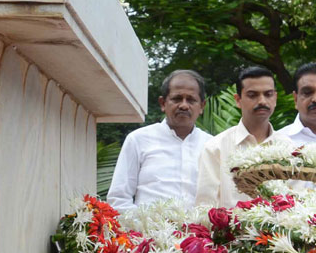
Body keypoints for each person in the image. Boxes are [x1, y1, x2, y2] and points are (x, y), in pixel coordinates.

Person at [107, 70, 211, 212]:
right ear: (163, 103)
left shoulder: (212, 146)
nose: (184, 105)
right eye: (177, 99)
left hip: (200, 226)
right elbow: (118, 199)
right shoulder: (138, 140)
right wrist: (142, 223)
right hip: (146, 226)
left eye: (191, 100)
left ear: (202, 106)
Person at [195, 66, 280, 208]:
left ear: (275, 98)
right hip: (231, 223)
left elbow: (297, 203)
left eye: (268, 94)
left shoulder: (289, 148)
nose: (262, 101)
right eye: (252, 95)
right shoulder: (216, 148)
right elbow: (205, 206)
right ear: (238, 100)